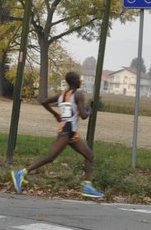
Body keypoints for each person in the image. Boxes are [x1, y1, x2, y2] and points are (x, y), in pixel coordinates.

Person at [11, 70, 103, 198]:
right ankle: (21, 173)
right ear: (75, 82)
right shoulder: (78, 95)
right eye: (79, 79)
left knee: (89, 155)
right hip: (67, 130)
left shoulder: (62, 95)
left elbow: (43, 102)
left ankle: (87, 186)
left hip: (69, 130)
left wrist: (56, 114)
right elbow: (83, 116)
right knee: (51, 157)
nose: (80, 81)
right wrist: (89, 110)